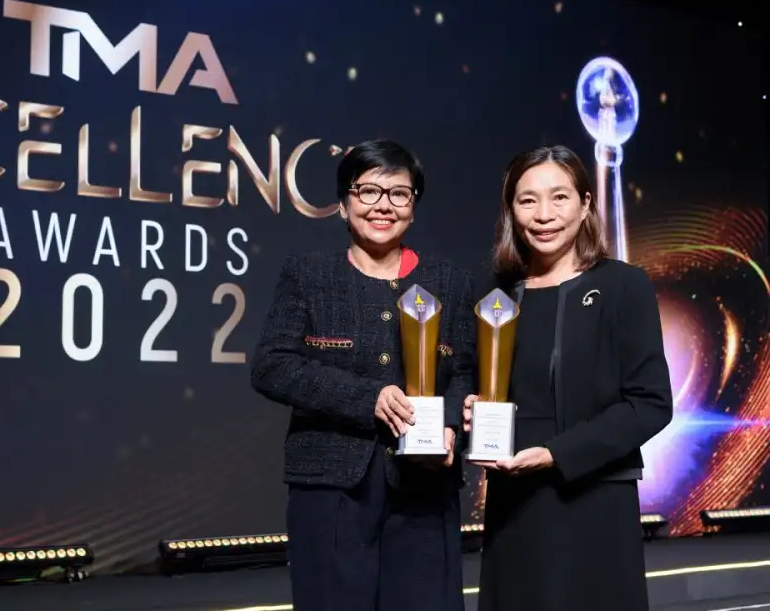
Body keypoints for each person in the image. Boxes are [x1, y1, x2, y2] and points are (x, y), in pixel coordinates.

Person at [251, 139, 476, 611]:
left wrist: (451, 424)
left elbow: (464, 370)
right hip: (331, 488)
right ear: (343, 204)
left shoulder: (450, 281)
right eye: (368, 191)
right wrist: (367, 398)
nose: (383, 206)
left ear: (413, 206)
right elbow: (272, 365)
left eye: (399, 194)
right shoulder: (309, 274)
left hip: (425, 488)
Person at [463, 145, 673, 611]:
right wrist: (471, 408)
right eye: (528, 200)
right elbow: (477, 385)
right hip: (515, 502)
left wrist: (556, 454)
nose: (544, 215)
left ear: (585, 204)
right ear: (511, 209)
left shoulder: (624, 285)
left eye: (559, 197)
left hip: (596, 498)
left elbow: (651, 404)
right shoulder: (493, 293)